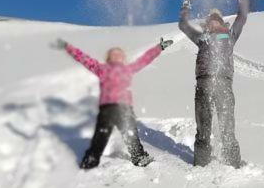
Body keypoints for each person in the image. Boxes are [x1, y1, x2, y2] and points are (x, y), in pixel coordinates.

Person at [50, 37, 173, 169]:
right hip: (107, 108)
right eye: (113, 53)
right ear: (108, 58)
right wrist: (67, 47)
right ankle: (91, 159)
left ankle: (139, 156)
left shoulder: (129, 69)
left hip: (124, 107)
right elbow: (83, 58)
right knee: (101, 135)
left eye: (119, 53)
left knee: (130, 132)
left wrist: (159, 47)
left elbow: (145, 59)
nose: (116, 55)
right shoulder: (101, 68)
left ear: (123, 58)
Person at [178, 0, 249, 168]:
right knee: (203, 129)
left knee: (227, 128)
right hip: (203, 84)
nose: (212, 21)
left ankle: (234, 164)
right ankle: (201, 165)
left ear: (221, 21)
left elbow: (242, 17)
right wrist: (185, 6)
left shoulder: (230, 34)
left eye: (216, 18)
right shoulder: (202, 37)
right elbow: (183, 25)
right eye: (210, 19)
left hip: (224, 84)